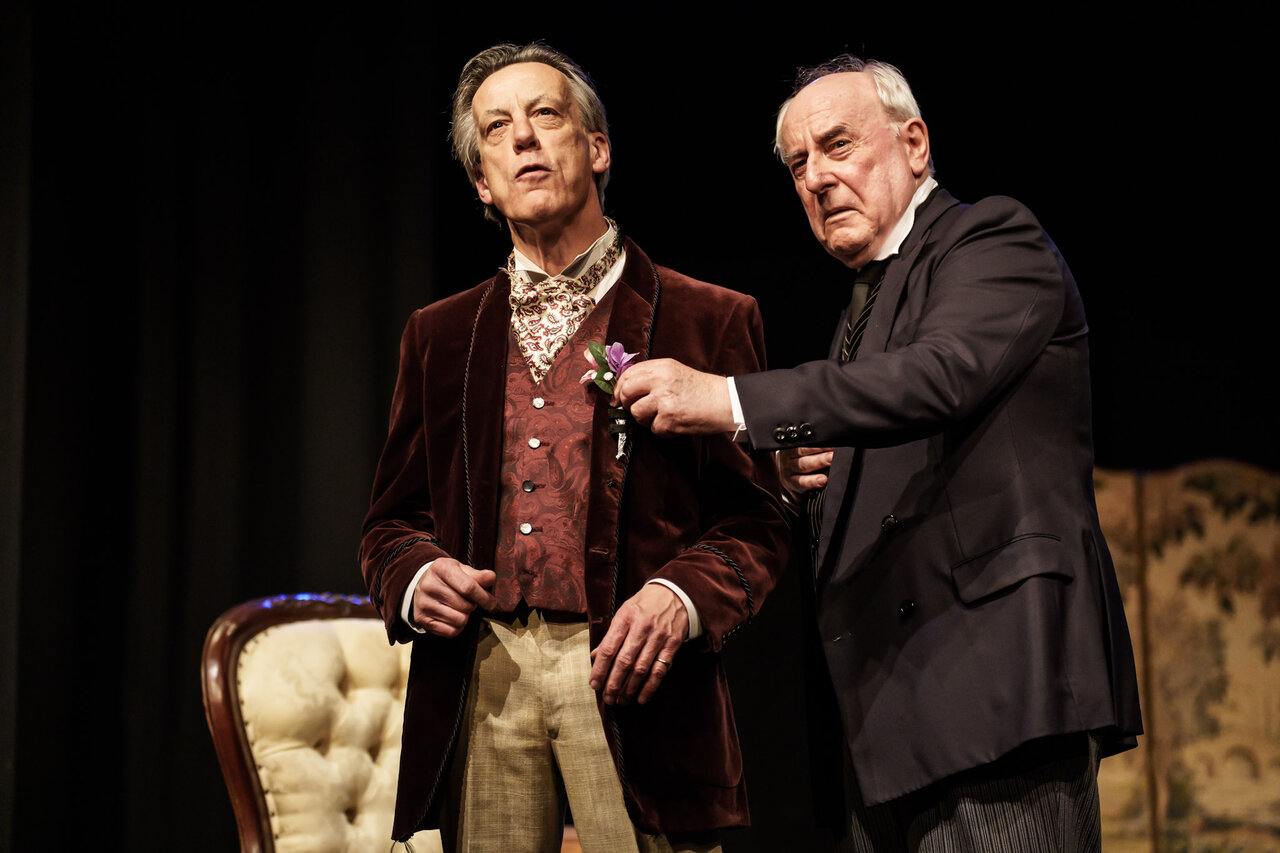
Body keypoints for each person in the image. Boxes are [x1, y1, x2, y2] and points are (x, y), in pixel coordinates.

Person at [614, 55, 1143, 850]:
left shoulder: (991, 237)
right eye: (798, 164)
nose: (817, 178)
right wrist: (797, 471)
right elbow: (874, 418)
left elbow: (937, 376)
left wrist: (730, 400)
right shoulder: (860, 313)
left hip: (994, 692)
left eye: (838, 145)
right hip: (887, 724)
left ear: (915, 143)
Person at [359, 42, 789, 853]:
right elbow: (389, 522)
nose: (522, 137)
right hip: (484, 672)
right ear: (482, 182)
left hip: (635, 677)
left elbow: (759, 522)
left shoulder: (709, 318)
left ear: (597, 148)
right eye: (497, 128)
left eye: (544, 115)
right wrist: (415, 574)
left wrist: (680, 596)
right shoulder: (439, 335)